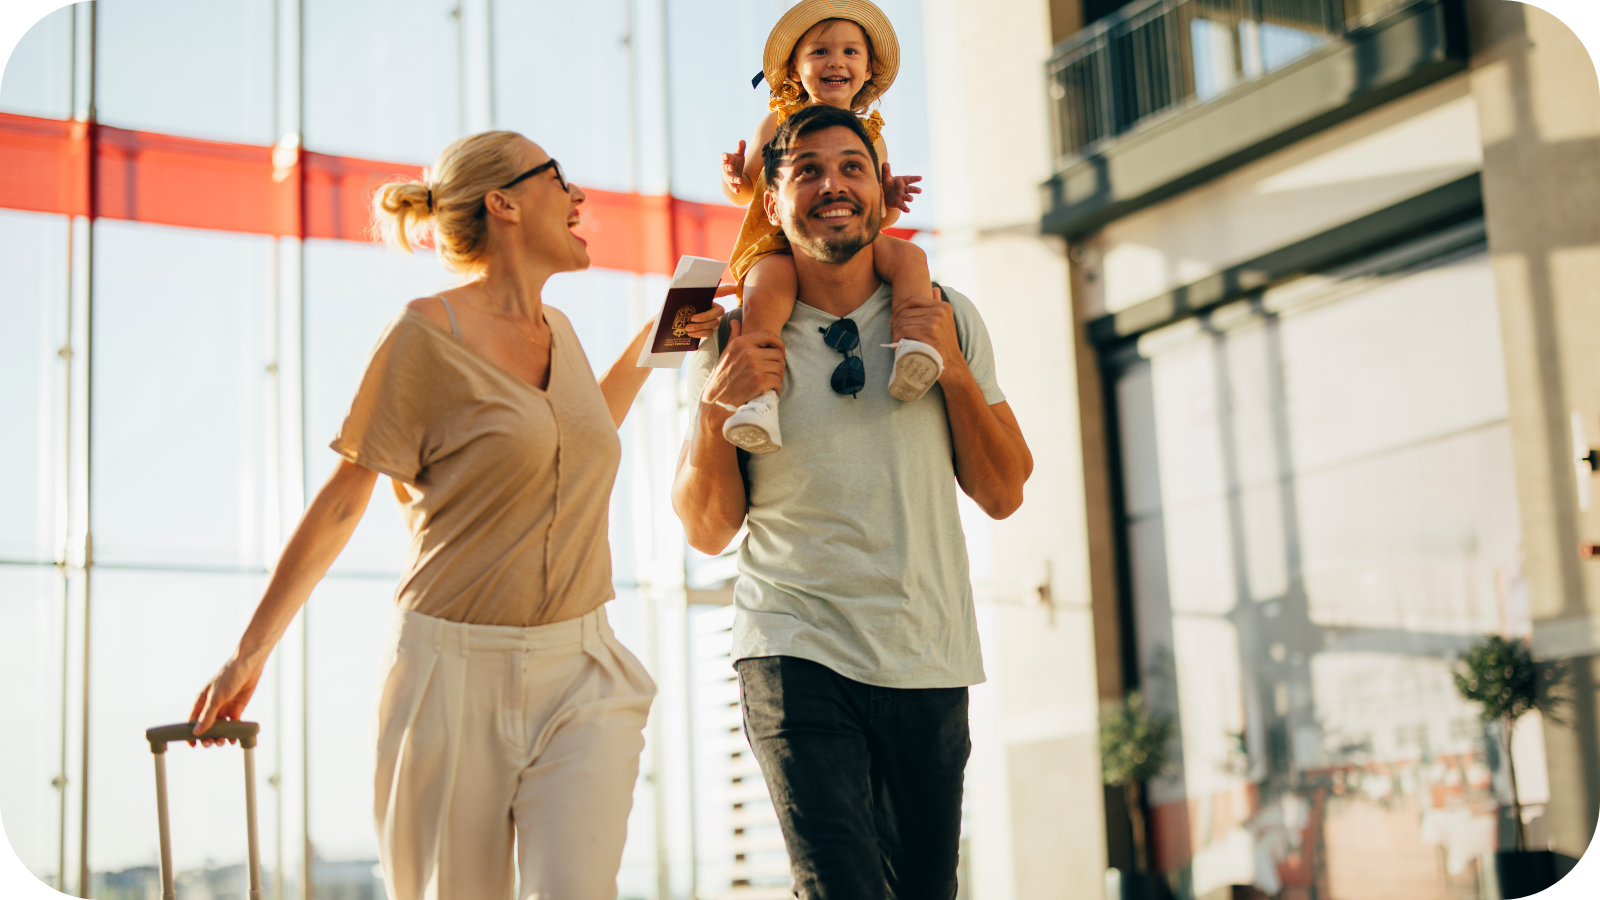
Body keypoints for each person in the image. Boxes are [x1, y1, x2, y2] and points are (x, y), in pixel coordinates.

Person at [188, 131, 722, 900]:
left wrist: (655, 337)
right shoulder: (424, 335)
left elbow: (574, 433)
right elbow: (343, 501)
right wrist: (249, 654)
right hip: (450, 676)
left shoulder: (561, 332)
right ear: (504, 203)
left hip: (581, 672)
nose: (579, 196)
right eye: (558, 179)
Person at [673, 104, 1034, 899]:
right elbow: (706, 528)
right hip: (792, 645)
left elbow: (1004, 490)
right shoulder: (728, 337)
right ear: (772, 204)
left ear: (880, 192)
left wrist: (952, 367)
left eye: (851, 167)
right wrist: (713, 410)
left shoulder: (946, 313)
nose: (832, 185)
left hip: (925, 650)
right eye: (807, 171)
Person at [715, 0, 943, 454]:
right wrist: (735, 178)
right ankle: (760, 398)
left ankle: (914, 346)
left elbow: (876, 217)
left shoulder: (872, 136)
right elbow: (748, 192)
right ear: (794, 69)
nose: (836, 61)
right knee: (765, 295)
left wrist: (889, 201)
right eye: (820, 52)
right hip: (779, 243)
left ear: (867, 68)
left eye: (850, 52)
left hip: (851, 239)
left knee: (910, 256)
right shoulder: (777, 121)